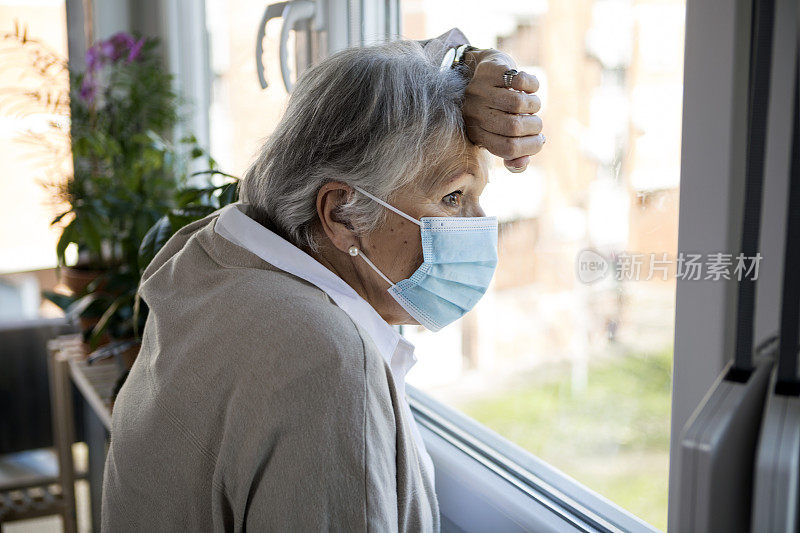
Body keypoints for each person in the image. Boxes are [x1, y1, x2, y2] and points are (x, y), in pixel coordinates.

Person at [101, 33, 543, 532]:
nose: (478, 225)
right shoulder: (325, 359)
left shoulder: (207, 262)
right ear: (341, 213)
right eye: (453, 198)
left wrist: (468, 65)